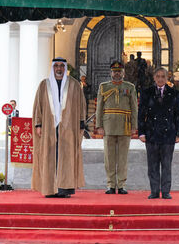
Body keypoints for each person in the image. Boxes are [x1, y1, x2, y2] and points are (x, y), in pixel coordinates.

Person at [31, 57, 86, 198]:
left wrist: (81, 122)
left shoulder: (74, 84)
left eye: (62, 66)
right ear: (53, 68)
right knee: (49, 156)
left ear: (65, 68)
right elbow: (38, 106)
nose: (59, 69)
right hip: (49, 127)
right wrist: (38, 124)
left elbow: (81, 105)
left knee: (66, 157)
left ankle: (64, 188)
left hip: (69, 128)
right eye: (56, 66)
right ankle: (49, 188)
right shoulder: (44, 84)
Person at [138, 67, 179, 200]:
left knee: (166, 164)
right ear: (154, 78)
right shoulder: (147, 92)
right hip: (151, 133)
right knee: (152, 165)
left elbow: (178, 115)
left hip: (168, 134)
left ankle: (166, 191)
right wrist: (141, 132)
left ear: (167, 78)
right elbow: (141, 114)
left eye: (163, 76)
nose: (160, 79)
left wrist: (178, 133)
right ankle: (154, 191)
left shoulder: (174, 93)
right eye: (157, 76)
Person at [94, 61, 138, 194]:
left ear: (123, 73)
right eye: (114, 71)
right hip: (108, 125)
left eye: (119, 71)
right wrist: (99, 125)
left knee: (123, 157)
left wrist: (134, 126)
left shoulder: (130, 87)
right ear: (110, 73)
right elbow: (99, 108)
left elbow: (134, 108)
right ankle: (111, 184)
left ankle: (122, 184)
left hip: (125, 125)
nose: (117, 73)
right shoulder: (104, 87)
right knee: (109, 156)